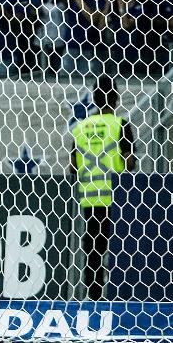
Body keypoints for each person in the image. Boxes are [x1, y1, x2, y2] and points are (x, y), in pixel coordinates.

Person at [69, 77, 135, 300]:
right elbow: (129, 161)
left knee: (92, 248)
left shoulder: (80, 127)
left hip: (89, 196)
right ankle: (120, 294)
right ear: (116, 99)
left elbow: (72, 166)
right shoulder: (120, 124)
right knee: (118, 246)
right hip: (115, 195)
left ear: (94, 100)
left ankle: (93, 295)